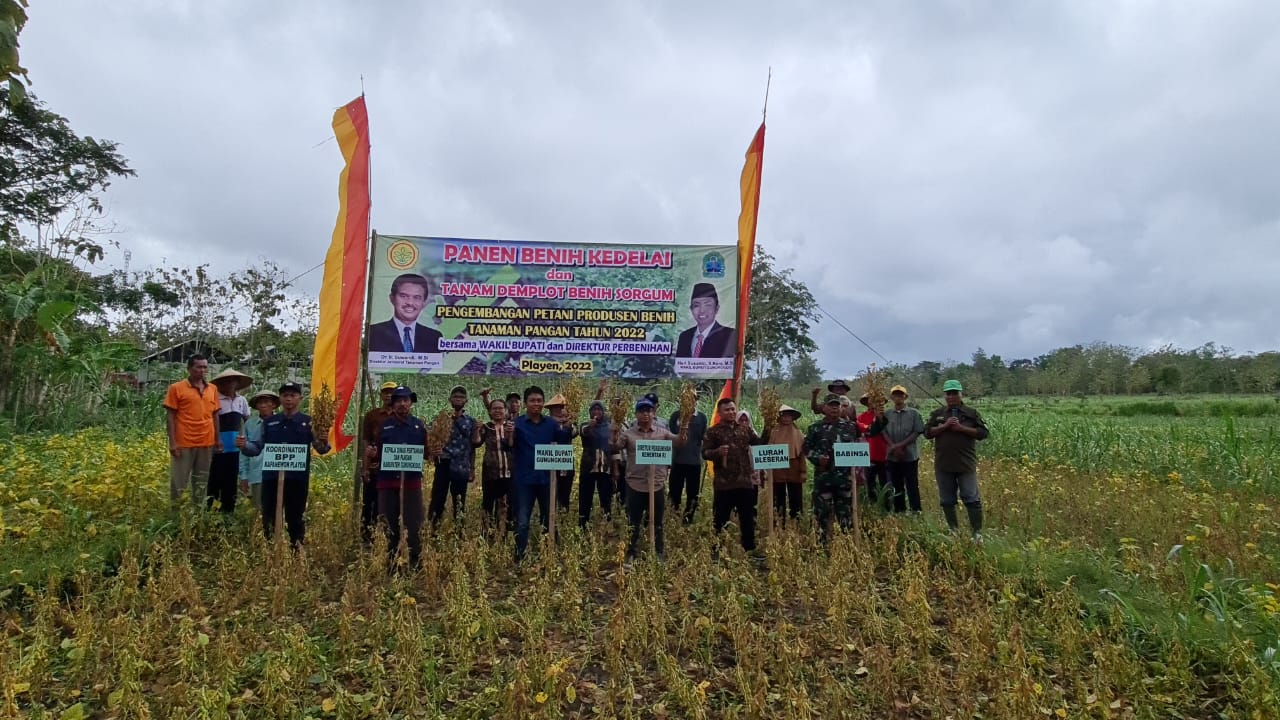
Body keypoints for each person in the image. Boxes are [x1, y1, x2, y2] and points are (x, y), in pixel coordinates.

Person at [237, 382, 331, 546]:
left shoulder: (309, 422)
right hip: (271, 478)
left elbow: (321, 449)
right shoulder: (270, 423)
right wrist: (244, 446)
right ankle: (272, 554)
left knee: (295, 518)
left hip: (297, 479)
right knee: (269, 517)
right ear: (280, 399)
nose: (289, 399)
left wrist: (324, 440)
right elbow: (257, 447)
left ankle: (296, 554)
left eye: (292, 395)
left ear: (300, 398)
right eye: (285, 395)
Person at [613, 398, 685, 560]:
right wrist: (614, 429)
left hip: (657, 484)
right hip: (635, 484)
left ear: (654, 413)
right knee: (634, 521)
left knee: (657, 522)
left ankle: (658, 552)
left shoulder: (663, 432)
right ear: (636, 414)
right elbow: (615, 446)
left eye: (648, 411)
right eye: (641, 411)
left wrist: (685, 424)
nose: (645, 414)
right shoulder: (629, 434)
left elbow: (679, 442)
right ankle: (631, 551)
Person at [510, 385, 574, 561]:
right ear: (525, 403)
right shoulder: (517, 424)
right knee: (523, 521)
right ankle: (520, 556)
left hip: (547, 480)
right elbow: (507, 445)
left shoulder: (551, 424)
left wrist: (567, 427)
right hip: (524, 480)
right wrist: (508, 436)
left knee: (549, 517)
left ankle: (550, 554)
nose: (536, 404)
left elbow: (562, 441)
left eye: (539, 400)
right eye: (532, 400)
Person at [371, 386, 428, 567]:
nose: (403, 404)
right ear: (393, 404)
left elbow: (426, 453)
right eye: (399, 401)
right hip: (387, 482)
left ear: (411, 403)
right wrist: (371, 454)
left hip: (411, 482)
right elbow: (377, 451)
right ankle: (392, 561)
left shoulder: (419, 426)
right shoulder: (384, 426)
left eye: (406, 400)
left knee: (414, 522)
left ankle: (414, 560)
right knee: (389, 521)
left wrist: (434, 449)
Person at [924, 379, 989, 539]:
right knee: (947, 500)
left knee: (971, 498)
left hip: (965, 464)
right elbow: (927, 433)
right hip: (943, 464)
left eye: (955, 393)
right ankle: (954, 530)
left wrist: (961, 428)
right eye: (948, 394)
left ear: (961, 395)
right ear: (945, 396)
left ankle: (977, 534)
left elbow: (983, 433)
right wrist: (944, 426)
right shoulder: (938, 414)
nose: (951, 397)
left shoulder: (971, 413)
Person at [702, 397, 762, 554]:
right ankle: (717, 550)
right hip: (724, 484)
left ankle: (749, 549)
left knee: (747, 519)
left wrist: (768, 424)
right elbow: (705, 453)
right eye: (727, 409)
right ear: (720, 412)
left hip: (744, 483)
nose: (731, 412)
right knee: (720, 519)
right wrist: (717, 452)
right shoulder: (713, 431)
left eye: (733, 409)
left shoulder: (745, 429)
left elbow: (760, 444)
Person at [802, 393, 862, 542]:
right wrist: (817, 458)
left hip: (845, 480)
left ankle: (847, 546)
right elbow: (806, 449)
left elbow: (871, 432)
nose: (834, 408)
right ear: (824, 408)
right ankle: (821, 547)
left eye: (837, 405)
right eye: (831, 405)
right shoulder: (815, 428)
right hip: (824, 480)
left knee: (846, 516)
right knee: (821, 515)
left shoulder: (851, 427)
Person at [163, 354, 219, 508]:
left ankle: (197, 516)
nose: (202, 370)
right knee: (178, 482)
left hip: (206, 442)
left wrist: (217, 439)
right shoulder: (176, 388)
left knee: (201, 482)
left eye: (204, 367)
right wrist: (173, 443)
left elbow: (215, 415)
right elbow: (170, 417)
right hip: (184, 443)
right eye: (198, 367)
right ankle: (175, 515)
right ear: (189, 369)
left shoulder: (212, 389)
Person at [867, 385, 925, 513]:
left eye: (901, 394)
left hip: (910, 455)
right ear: (892, 397)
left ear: (905, 397)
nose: (898, 397)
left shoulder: (914, 413)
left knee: (912, 485)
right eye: (895, 394)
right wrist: (892, 446)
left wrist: (899, 446)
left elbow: (917, 432)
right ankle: (900, 511)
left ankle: (916, 510)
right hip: (892, 456)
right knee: (897, 485)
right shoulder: (887, 414)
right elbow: (882, 432)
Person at [429, 385, 479, 531]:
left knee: (459, 502)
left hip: (462, 465)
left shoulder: (470, 421)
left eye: (461, 397)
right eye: (455, 397)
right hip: (443, 463)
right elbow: (432, 439)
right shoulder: (441, 418)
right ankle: (433, 531)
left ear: (466, 401)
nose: (458, 399)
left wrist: (472, 468)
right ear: (450, 399)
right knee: (438, 499)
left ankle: (459, 533)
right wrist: (434, 452)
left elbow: (473, 446)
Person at [207, 369, 252, 515]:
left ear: (237, 383)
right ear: (220, 384)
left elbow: (248, 420)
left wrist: (248, 439)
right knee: (214, 479)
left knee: (231, 480)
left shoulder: (241, 400)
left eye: (233, 381)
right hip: (217, 446)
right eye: (226, 381)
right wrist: (216, 440)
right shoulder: (215, 399)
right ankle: (211, 511)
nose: (229, 384)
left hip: (234, 447)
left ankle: (228, 512)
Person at [359, 382, 398, 542]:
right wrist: (365, 467)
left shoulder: (402, 416)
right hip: (375, 467)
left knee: (391, 504)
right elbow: (366, 442)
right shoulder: (372, 415)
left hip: (394, 468)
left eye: (391, 392)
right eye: (385, 392)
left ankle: (390, 536)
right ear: (381, 395)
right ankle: (367, 537)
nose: (388, 395)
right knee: (370, 503)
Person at [367, 273, 443, 353]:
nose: (410, 302)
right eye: (404, 296)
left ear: (424, 302)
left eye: (417, 297)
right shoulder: (373, 333)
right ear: (392, 298)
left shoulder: (434, 337)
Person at [477, 397, 515, 535]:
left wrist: (511, 434)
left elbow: (513, 446)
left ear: (505, 411)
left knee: (508, 505)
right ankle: (486, 535)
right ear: (490, 411)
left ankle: (505, 534)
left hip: (509, 472)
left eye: (500, 408)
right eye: (494, 408)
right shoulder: (486, 427)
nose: (497, 411)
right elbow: (476, 442)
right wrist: (477, 429)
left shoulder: (511, 426)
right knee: (488, 504)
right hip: (490, 472)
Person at [668, 399, 708, 524]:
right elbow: (671, 435)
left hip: (694, 462)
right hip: (677, 461)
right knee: (674, 491)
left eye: (692, 400)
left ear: (696, 401)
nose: (689, 402)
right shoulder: (675, 415)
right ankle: (673, 518)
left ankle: (688, 519)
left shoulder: (701, 417)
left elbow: (703, 437)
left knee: (693, 493)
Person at [238, 390, 279, 513]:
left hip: (278, 473)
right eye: (260, 403)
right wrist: (244, 476)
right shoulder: (250, 424)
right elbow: (243, 452)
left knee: (277, 509)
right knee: (258, 509)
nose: (263, 405)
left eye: (266, 402)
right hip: (257, 473)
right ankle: (259, 532)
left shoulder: (281, 422)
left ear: (273, 404)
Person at [578, 401, 615, 528]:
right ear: (590, 412)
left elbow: (614, 447)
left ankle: (607, 524)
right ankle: (583, 525)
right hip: (588, 468)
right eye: (594, 409)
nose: (596, 412)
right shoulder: (585, 425)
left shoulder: (609, 427)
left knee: (606, 497)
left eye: (599, 410)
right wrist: (590, 426)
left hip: (605, 468)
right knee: (585, 497)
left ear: (603, 412)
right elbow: (584, 432)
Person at [674, 283, 736, 358]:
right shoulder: (684, 336)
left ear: (716, 308)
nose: (702, 310)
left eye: (708, 305)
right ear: (691, 309)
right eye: (696, 305)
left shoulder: (729, 335)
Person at [768, 405, 807, 524]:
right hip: (777, 467)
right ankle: (779, 523)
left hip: (794, 467)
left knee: (796, 497)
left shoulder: (797, 432)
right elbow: (768, 451)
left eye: (788, 415)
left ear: (792, 417)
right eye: (783, 415)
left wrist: (803, 471)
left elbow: (801, 454)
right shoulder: (773, 431)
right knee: (778, 497)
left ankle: (796, 522)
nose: (786, 418)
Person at [855, 394, 890, 510]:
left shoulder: (886, 417)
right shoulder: (861, 418)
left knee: (886, 483)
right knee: (870, 483)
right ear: (867, 403)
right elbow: (864, 432)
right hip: (869, 455)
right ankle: (873, 506)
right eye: (871, 401)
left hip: (886, 454)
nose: (873, 403)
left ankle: (887, 507)